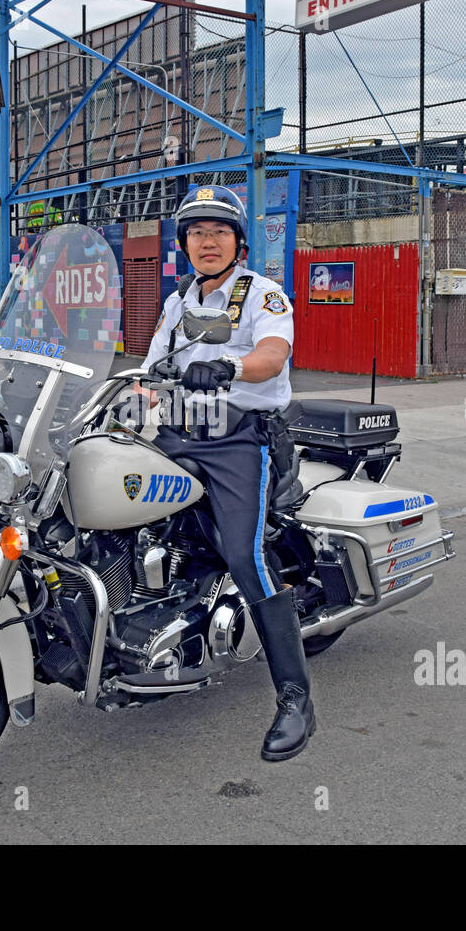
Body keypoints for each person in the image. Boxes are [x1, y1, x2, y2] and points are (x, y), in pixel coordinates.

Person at [139, 186, 315, 762]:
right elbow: (150, 369)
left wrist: (230, 363)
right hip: (177, 433)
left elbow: (271, 357)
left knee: (246, 556)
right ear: (184, 244)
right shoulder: (176, 303)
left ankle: (295, 698)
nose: (206, 241)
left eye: (217, 231)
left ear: (237, 242)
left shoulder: (264, 295)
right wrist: (129, 393)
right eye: (196, 232)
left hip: (239, 440)